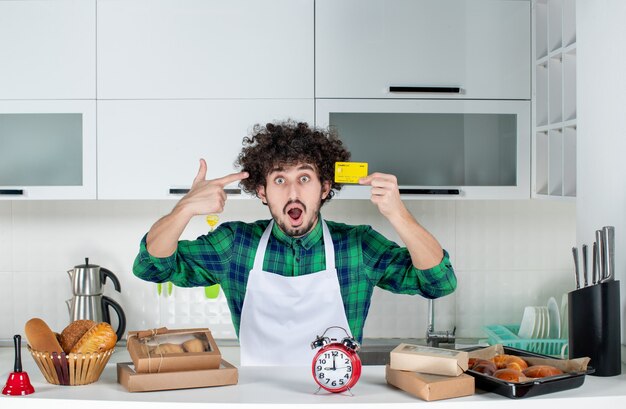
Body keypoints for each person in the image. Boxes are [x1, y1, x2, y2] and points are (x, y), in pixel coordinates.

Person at [133, 121, 456, 366]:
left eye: (304, 178)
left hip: (336, 399)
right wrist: (185, 208)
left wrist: (398, 214)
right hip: (259, 399)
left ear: (324, 187)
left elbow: (439, 282)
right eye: (279, 180)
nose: (292, 193)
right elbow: (152, 266)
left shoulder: (357, 246)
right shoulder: (235, 245)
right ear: (262, 191)